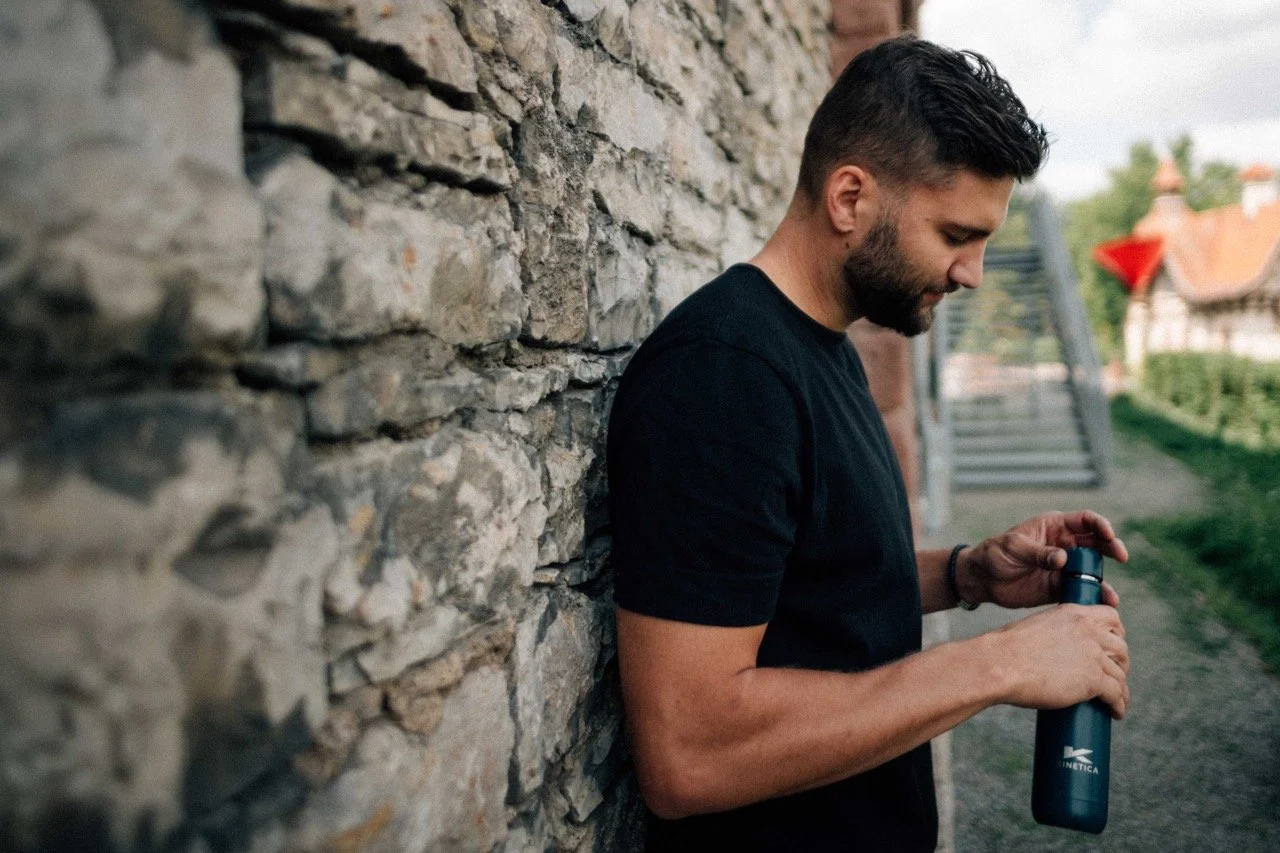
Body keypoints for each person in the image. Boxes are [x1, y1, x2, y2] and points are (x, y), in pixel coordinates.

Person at [605, 35, 1131, 851]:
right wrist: (1002, 665)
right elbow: (689, 752)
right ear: (850, 196)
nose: (973, 273)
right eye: (957, 233)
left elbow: (796, 585)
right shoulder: (723, 375)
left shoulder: (821, 347)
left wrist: (965, 574)